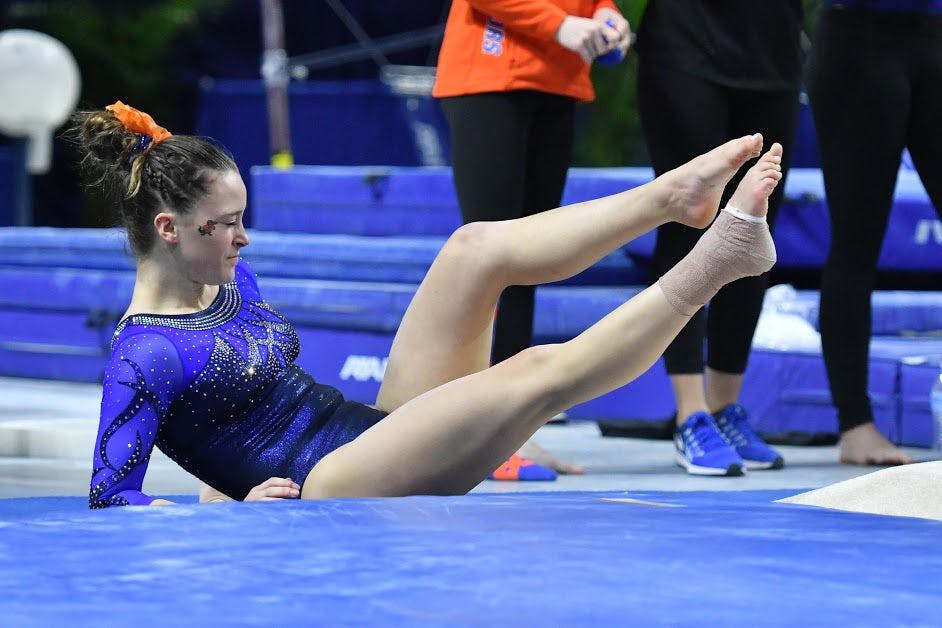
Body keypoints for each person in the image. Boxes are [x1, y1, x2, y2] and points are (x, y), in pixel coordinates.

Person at [81, 101, 781, 508]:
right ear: (168, 230)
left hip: (370, 433)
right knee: (534, 371)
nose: (244, 237)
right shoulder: (143, 354)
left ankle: (670, 200)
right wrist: (227, 511)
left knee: (474, 249)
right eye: (223, 224)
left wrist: (219, 490)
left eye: (241, 217)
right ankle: (721, 260)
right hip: (327, 485)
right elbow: (112, 499)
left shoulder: (222, 276)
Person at [433, 0, 631, 478]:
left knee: (528, 265)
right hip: (491, 74)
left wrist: (609, 18)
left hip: (557, 81)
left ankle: (509, 434)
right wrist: (558, 25)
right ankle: (468, 433)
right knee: (492, 258)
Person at [634, 0, 804, 475]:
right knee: (688, 221)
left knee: (754, 224)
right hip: (686, 44)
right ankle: (691, 413)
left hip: (773, 51)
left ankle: (726, 405)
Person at [807, 0, 941, 466]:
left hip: (933, 33)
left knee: (855, 245)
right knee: (856, 241)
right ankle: (855, 425)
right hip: (857, 42)